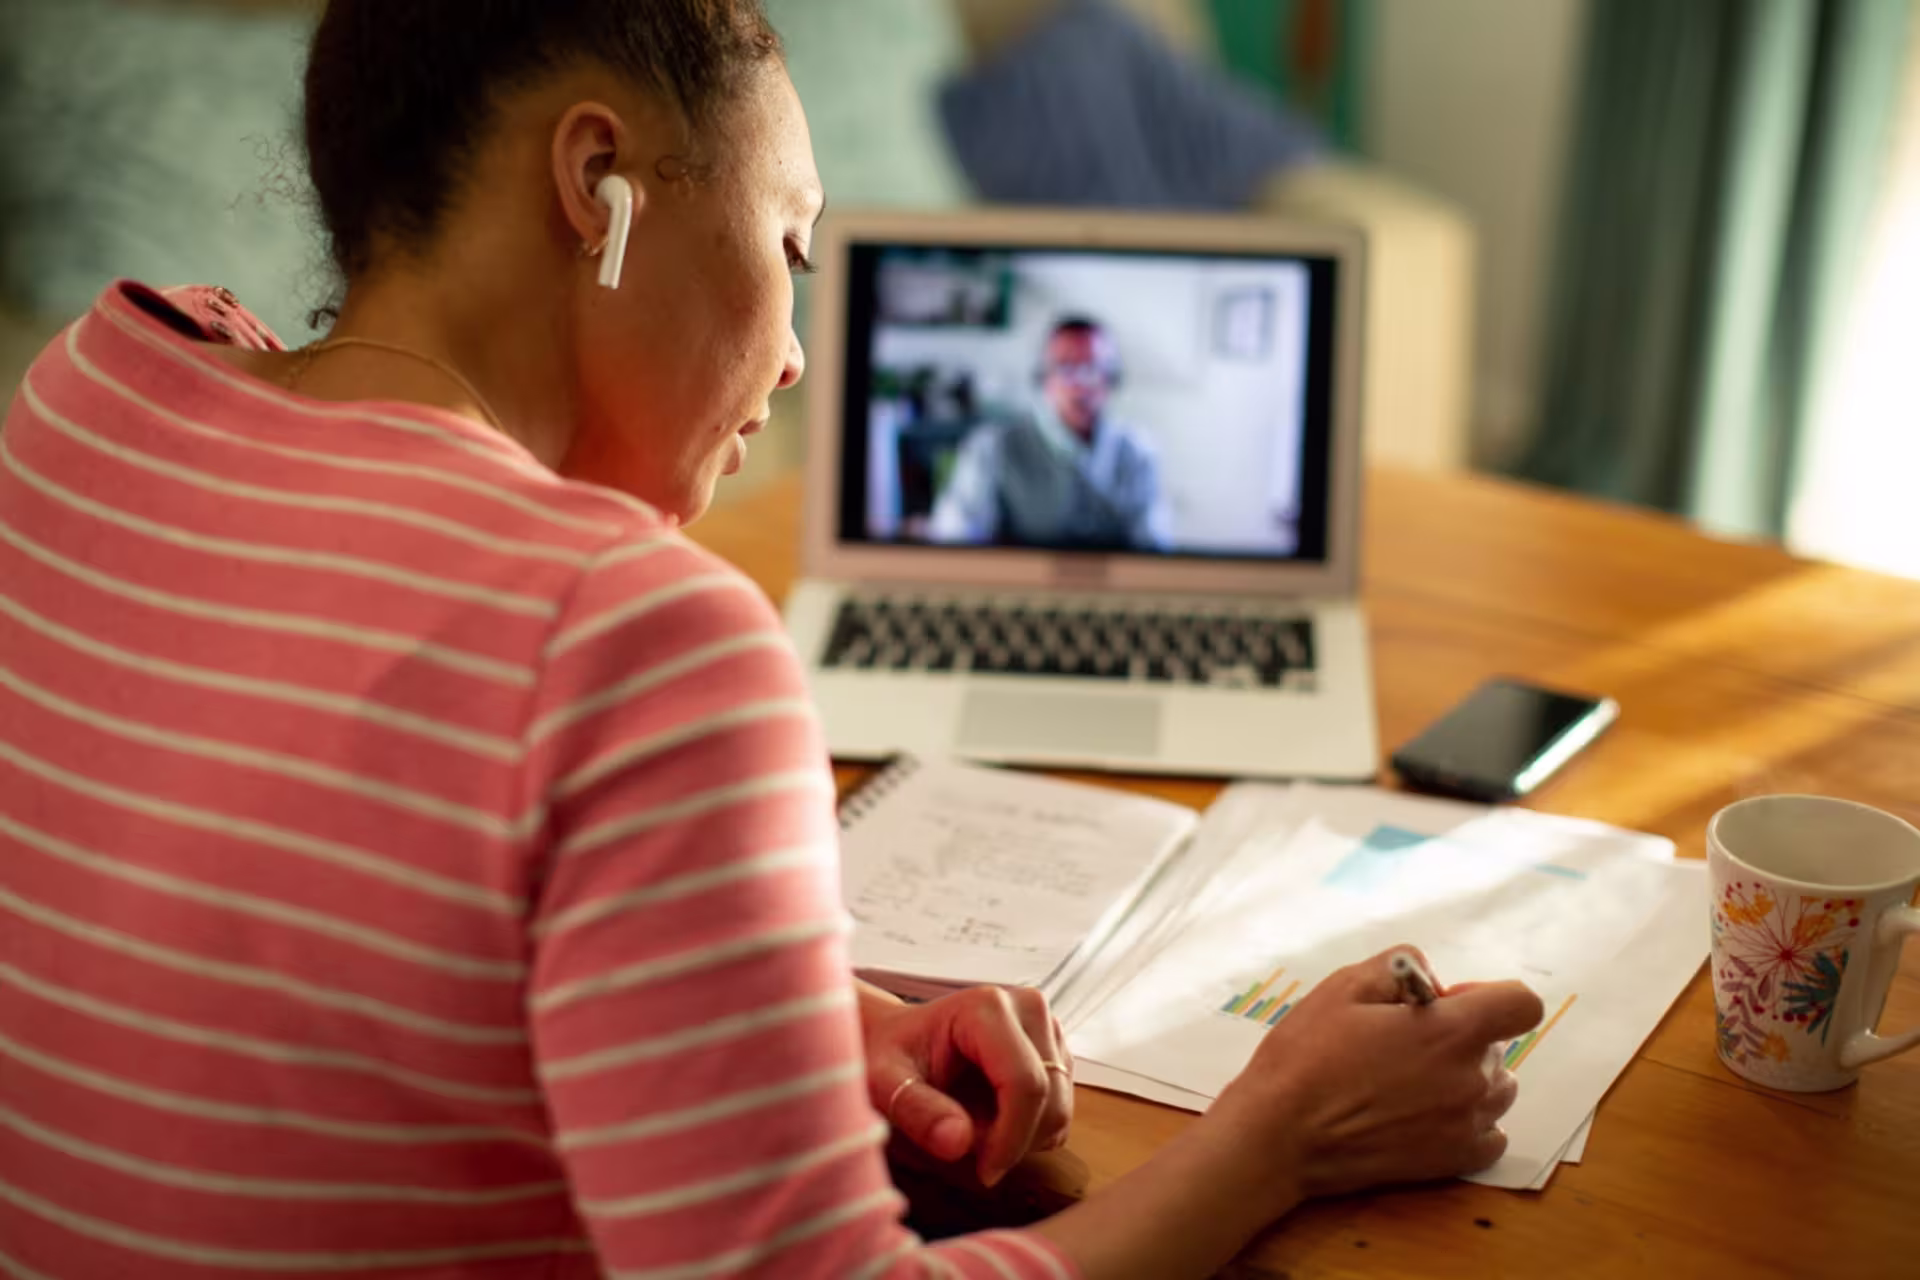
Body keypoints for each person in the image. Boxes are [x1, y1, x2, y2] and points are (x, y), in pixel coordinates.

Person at [0, 2, 1541, 1276]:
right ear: (597, 182)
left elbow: (302, 913)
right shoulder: (632, 634)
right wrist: (1282, 1132)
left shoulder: (100, 385)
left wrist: (803, 1010)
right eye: (792, 250)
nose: (800, 356)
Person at [928, 317, 1175, 550]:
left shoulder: (1138, 453)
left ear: (1111, 379)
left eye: (1093, 369)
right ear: (1043, 377)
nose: (1081, 385)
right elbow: (956, 538)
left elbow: (1153, 548)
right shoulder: (990, 448)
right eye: (1067, 368)